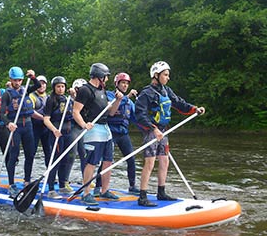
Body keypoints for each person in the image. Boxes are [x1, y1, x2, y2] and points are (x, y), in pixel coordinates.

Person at [135, 61, 205, 207]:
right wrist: (153, 129)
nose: (168, 77)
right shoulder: (146, 93)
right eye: (165, 75)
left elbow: (179, 103)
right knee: (150, 163)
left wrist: (194, 109)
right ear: (156, 75)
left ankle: (161, 192)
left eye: (168, 75)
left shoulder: (166, 91)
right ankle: (142, 196)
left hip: (164, 130)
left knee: (165, 161)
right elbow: (140, 114)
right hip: (151, 131)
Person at [73, 63, 124, 205]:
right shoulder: (85, 90)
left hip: (105, 128)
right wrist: (84, 124)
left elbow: (111, 112)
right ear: (100, 76)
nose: (107, 79)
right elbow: (75, 111)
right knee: (92, 162)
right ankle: (86, 192)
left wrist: (118, 100)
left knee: (108, 161)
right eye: (106, 76)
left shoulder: (102, 90)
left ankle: (104, 190)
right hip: (92, 129)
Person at [0, 67, 42, 198]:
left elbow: (38, 85)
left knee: (30, 154)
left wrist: (33, 76)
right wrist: (8, 123)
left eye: (19, 80)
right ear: (11, 80)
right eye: (15, 80)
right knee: (14, 155)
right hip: (15, 126)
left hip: (28, 125)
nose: (17, 82)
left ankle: (27, 180)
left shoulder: (26, 90)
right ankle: (12, 184)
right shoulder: (7, 94)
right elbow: (2, 114)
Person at [98, 72, 139, 195]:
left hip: (123, 133)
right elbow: (111, 108)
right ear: (117, 84)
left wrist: (150, 127)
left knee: (131, 158)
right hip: (111, 132)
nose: (125, 86)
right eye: (123, 83)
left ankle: (132, 185)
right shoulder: (110, 95)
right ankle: (98, 186)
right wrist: (127, 97)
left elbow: (136, 118)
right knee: (106, 160)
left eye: (127, 83)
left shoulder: (130, 103)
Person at [43, 76, 74, 199]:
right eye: (58, 86)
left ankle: (62, 185)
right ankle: (51, 189)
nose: (61, 89)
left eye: (62, 86)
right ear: (54, 88)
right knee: (55, 160)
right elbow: (46, 119)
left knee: (65, 160)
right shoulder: (51, 100)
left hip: (67, 132)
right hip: (56, 132)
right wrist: (54, 130)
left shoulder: (67, 99)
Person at [29, 75, 51, 169]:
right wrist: (44, 118)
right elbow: (31, 112)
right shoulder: (31, 96)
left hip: (46, 128)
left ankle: (50, 174)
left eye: (43, 84)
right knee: (31, 152)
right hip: (35, 127)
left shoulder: (49, 97)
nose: (42, 86)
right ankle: (27, 176)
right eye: (40, 83)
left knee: (49, 152)